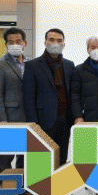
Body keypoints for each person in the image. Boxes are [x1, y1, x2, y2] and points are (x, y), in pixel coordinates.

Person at [24, 28, 75, 164]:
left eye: (59, 40)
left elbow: (72, 92)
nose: (55, 43)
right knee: (42, 160)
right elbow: (29, 97)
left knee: (62, 157)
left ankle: (60, 178)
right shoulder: (32, 65)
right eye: (51, 40)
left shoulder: (69, 65)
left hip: (65, 120)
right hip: (43, 120)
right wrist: (33, 123)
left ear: (64, 44)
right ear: (45, 42)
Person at [0, 27, 29, 171]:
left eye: (18, 41)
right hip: (10, 117)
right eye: (11, 42)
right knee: (6, 157)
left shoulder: (30, 63)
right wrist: (2, 120)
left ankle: (22, 183)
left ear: (25, 43)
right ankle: (5, 184)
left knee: (25, 156)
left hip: (28, 118)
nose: (15, 44)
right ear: (6, 44)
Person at [71, 36, 98, 137]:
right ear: (87, 50)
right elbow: (74, 95)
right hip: (87, 120)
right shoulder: (79, 70)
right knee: (88, 147)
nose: (96, 50)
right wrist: (77, 116)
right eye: (93, 47)